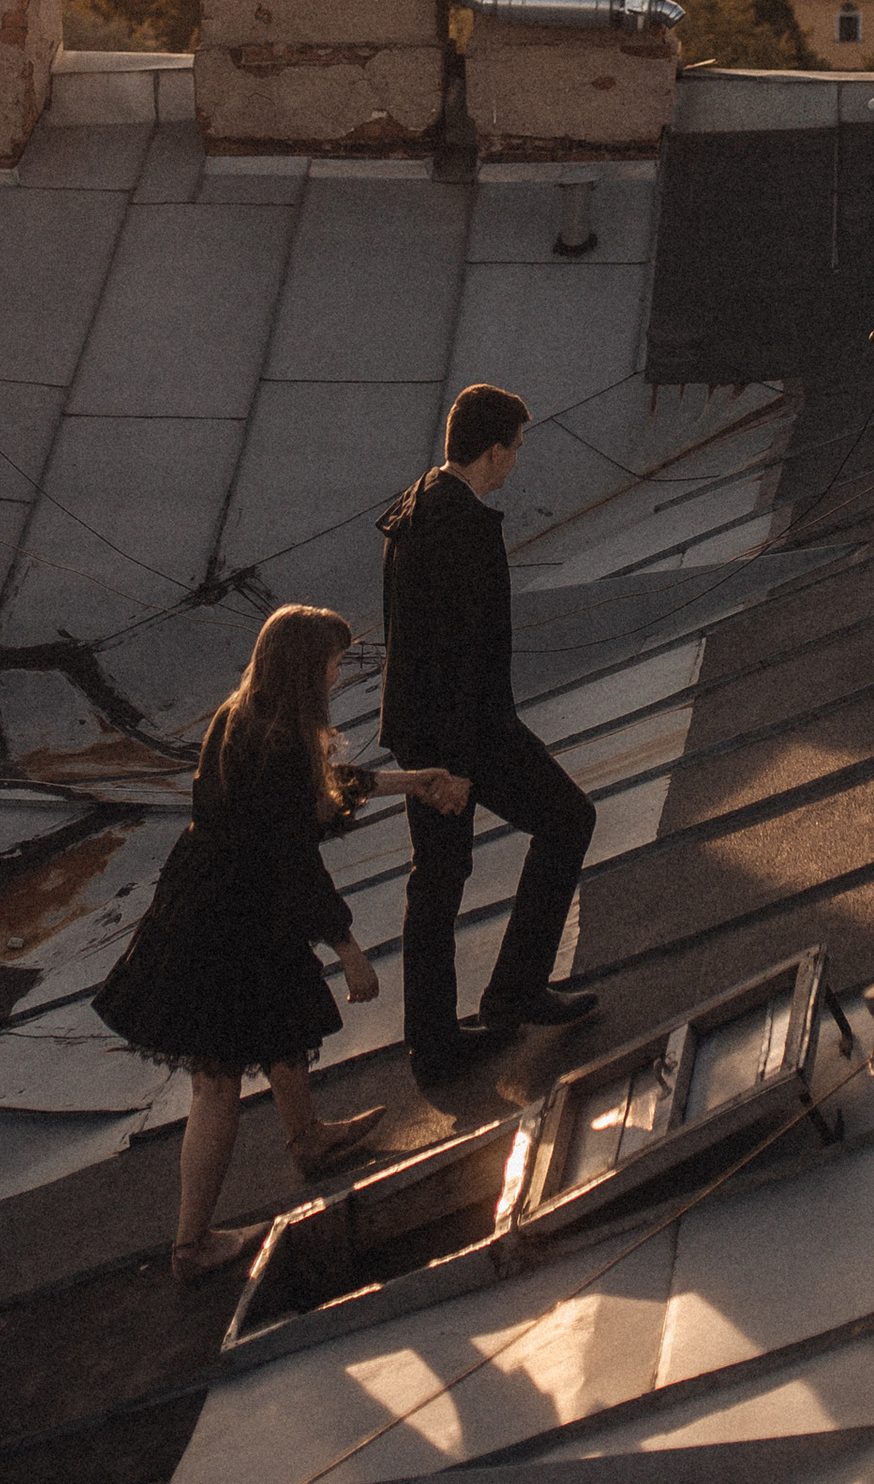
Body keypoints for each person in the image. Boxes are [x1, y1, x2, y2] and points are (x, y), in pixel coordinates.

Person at [94, 603, 468, 1282]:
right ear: (305, 670)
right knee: (217, 1085)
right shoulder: (276, 745)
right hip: (228, 920)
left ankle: (308, 1139)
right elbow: (296, 852)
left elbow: (316, 799)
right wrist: (347, 946)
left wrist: (412, 780)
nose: (336, 674)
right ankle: (191, 1245)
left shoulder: (245, 718)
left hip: (219, 903)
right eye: (330, 663)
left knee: (276, 1024)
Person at [377, 382, 599, 1091]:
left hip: (442, 730)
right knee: (554, 825)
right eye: (517, 450)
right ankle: (470, 1023)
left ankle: (469, 1020)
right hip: (460, 734)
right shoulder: (456, 524)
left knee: (442, 880)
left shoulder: (424, 503)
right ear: (494, 449)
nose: (517, 463)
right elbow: (455, 654)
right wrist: (455, 768)